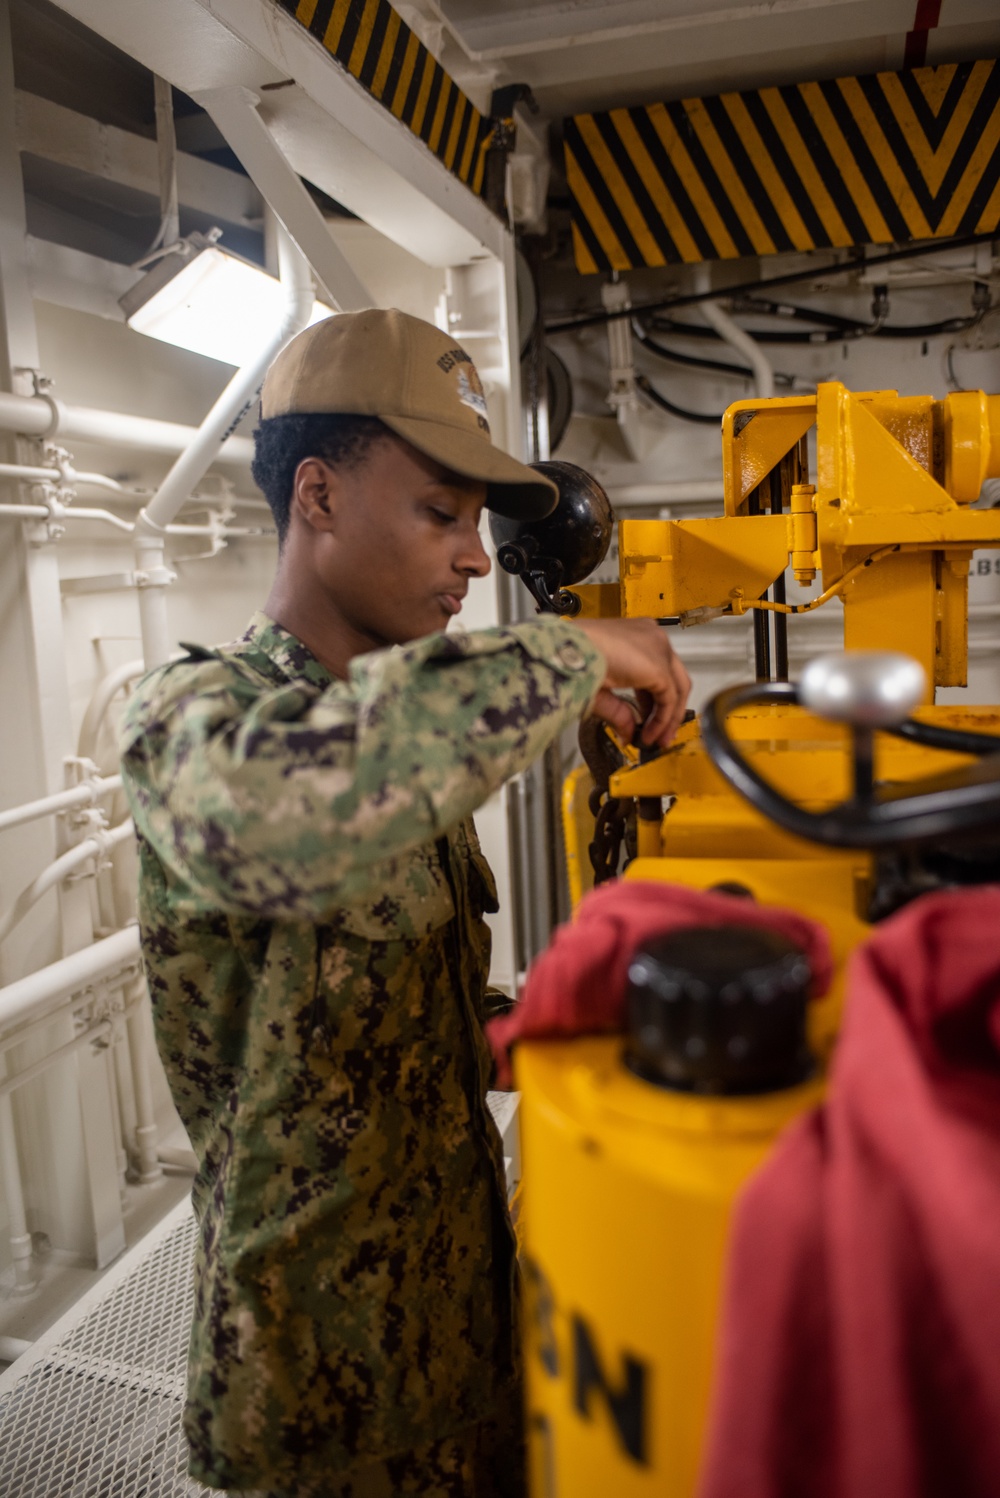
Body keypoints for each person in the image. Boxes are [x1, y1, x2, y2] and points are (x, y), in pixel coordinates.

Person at [119, 308, 690, 1498]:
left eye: (477, 524)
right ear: (317, 497)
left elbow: (384, 1029)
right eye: (442, 513)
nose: (476, 559)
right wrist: (570, 659)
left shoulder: (396, 740)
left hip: (463, 1352)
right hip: (325, 1413)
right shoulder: (193, 720)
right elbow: (278, 813)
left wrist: (540, 1032)